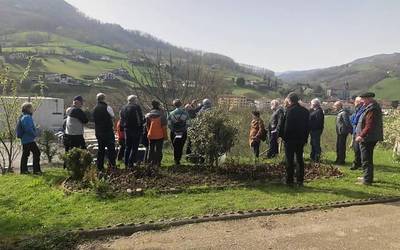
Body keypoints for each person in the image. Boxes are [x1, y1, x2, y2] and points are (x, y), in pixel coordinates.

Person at [280, 92, 309, 187]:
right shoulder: (305, 111)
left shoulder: (289, 111)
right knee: (300, 159)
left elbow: (286, 127)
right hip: (301, 139)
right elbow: (307, 127)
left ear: (290, 100)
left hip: (290, 139)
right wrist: (305, 139)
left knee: (289, 159)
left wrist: (283, 137)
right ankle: (300, 180)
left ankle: (289, 179)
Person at [355, 92, 383, 185]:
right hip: (368, 137)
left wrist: (361, 135)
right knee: (367, 158)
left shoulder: (372, 109)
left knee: (366, 159)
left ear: (368, 98)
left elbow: (369, 125)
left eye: (363, 99)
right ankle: (366, 176)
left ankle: (367, 180)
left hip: (367, 138)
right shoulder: (370, 107)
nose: (362, 101)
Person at [92, 93, 116, 171]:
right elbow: (113, 116)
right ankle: (112, 165)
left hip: (98, 131)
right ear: (104, 98)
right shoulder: (107, 107)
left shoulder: (95, 108)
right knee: (111, 150)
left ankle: (100, 166)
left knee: (101, 150)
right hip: (107, 131)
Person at [17, 102, 42, 174]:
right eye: (31, 108)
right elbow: (28, 129)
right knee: (36, 153)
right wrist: (34, 134)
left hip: (26, 139)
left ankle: (24, 170)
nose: (33, 109)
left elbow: (29, 127)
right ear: (28, 109)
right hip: (28, 139)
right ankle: (36, 170)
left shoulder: (24, 116)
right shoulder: (27, 117)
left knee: (26, 154)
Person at [120, 95, 144, 168]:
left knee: (128, 147)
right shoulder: (136, 107)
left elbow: (121, 118)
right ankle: (131, 163)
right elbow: (139, 119)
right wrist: (142, 123)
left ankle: (126, 163)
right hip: (135, 129)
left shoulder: (123, 108)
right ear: (134, 100)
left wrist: (122, 127)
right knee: (134, 147)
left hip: (126, 129)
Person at [145, 100, 168, 167]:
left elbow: (147, 126)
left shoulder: (148, 115)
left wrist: (149, 134)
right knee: (159, 150)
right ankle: (158, 163)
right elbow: (164, 127)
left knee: (151, 149)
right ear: (158, 106)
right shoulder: (162, 115)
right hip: (160, 135)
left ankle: (149, 163)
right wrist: (166, 136)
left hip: (151, 135)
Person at [169, 99, 190, 165]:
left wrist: (173, 130)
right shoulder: (185, 113)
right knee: (181, 146)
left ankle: (175, 159)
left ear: (174, 105)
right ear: (181, 104)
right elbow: (188, 123)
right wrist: (183, 130)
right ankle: (179, 159)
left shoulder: (171, 113)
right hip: (183, 132)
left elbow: (169, 124)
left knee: (175, 146)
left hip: (174, 132)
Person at [333, 101, 352, 165]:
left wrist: (351, 131)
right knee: (338, 146)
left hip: (343, 132)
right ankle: (338, 159)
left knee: (341, 147)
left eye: (335, 106)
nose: (334, 107)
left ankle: (341, 160)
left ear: (339, 106)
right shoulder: (340, 113)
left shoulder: (343, 113)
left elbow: (347, 123)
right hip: (339, 132)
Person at [350, 96, 365, 170]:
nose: (354, 103)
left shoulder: (363, 110)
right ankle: (358, 163)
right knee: (356, 149)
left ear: (359, 102)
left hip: (359, 132)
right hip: (355, 131)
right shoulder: (357, 110)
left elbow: (356, 120)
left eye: (355, 101)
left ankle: (358, 164)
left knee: (358, 149)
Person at [309, 98, 325, 162]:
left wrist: (311, 126)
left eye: (311, 103)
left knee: (316, 144)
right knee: (313, 143)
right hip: (313, 130)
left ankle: (317, 158)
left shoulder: (319, 111)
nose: (310, 104)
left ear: (315, 104)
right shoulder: (315, 111)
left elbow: (318, 122)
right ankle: (313, 156)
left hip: (316, 130)